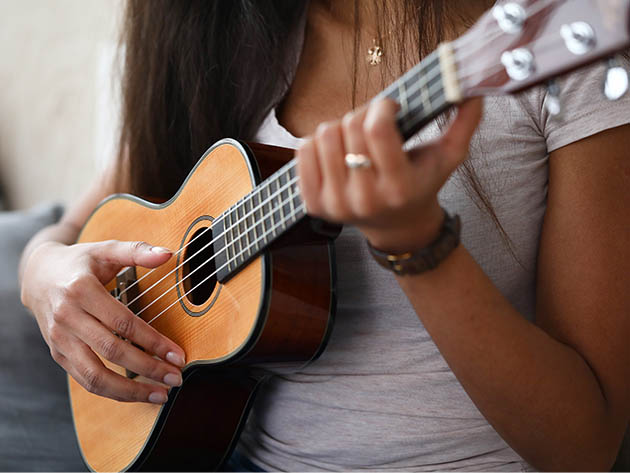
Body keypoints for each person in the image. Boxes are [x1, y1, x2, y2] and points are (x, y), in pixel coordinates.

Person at [18, 1, 630, 471]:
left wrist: (416, 243)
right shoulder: (218, 33)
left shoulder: (557, 40)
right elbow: (74, 229)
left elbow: (583, 448)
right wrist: (42, 273)